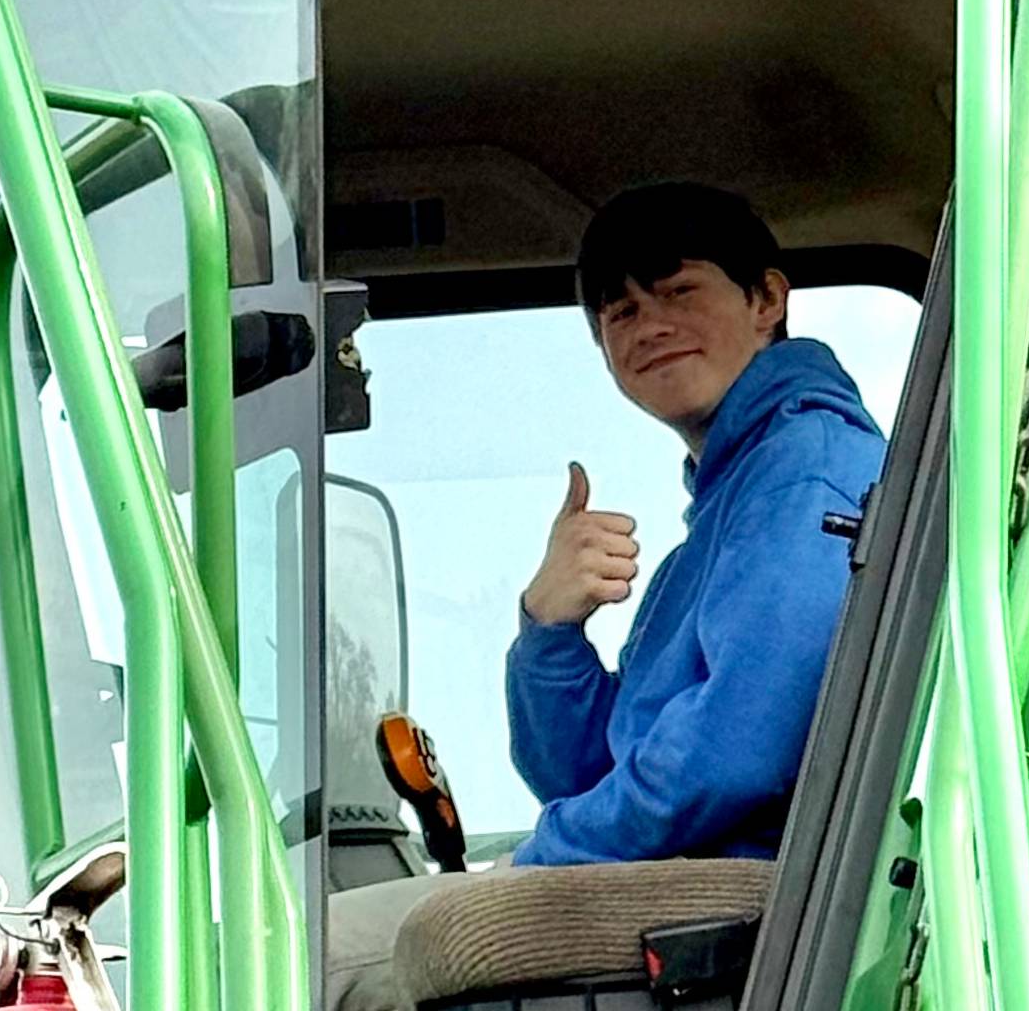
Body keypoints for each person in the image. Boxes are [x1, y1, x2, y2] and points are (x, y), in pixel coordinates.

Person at [327, 182, 885, 1010]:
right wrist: (549, 631)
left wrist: (542, 857)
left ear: (766, 300)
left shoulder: (806, 473)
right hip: (689, 865)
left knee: (303, 955)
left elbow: (738, 751)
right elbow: (579, 775)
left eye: (678, 290)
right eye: (619, 312)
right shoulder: (725, 513)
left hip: (751, 878)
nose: (648, 325)